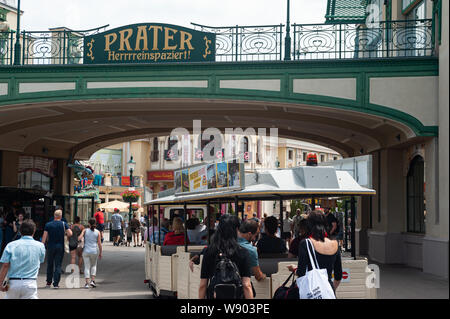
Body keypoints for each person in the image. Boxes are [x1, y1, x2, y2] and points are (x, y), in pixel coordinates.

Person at [198, 214, 253, 299]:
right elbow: (246, 285)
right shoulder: (243, 252)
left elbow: (203, 284)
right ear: (236, 230)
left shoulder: (209, 251)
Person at [290, 210, 342, 296]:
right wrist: (328, 289)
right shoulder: (335, 244)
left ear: (309, 225)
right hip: (329, 292)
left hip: (313, 292)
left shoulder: (305, 243)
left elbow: (301, 273)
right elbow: (338, 276)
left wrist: (294, 269)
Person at [0, 220, 46, 299]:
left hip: (13, 283)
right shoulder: (40, 246)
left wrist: (0, 282)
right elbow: (41, 260)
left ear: (20, 231)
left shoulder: (11, 245)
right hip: (30, 283)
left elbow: (5, 265)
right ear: (34, 231)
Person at [41, 209, 72, 289]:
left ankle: (48, 282)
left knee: (50, 264)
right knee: (58, 265)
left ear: (54, 216)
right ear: (61, 216)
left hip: (50, 246)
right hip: (60, 247)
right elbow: (70, 233)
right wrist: (65, 232)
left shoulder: (48, 224)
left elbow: (44, 238)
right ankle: (56, 284)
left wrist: (42, 246)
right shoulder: (63, 224)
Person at [78, 218, 102, 289]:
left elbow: (79, 238)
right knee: (94, 265)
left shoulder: (85, 230)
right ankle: (93, 281)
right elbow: (99, 243)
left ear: (89, 223)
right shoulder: (98, 232)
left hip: (86, 251)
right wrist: (100, 252)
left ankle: (86, 283)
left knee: (87, 267)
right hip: (94, 251)